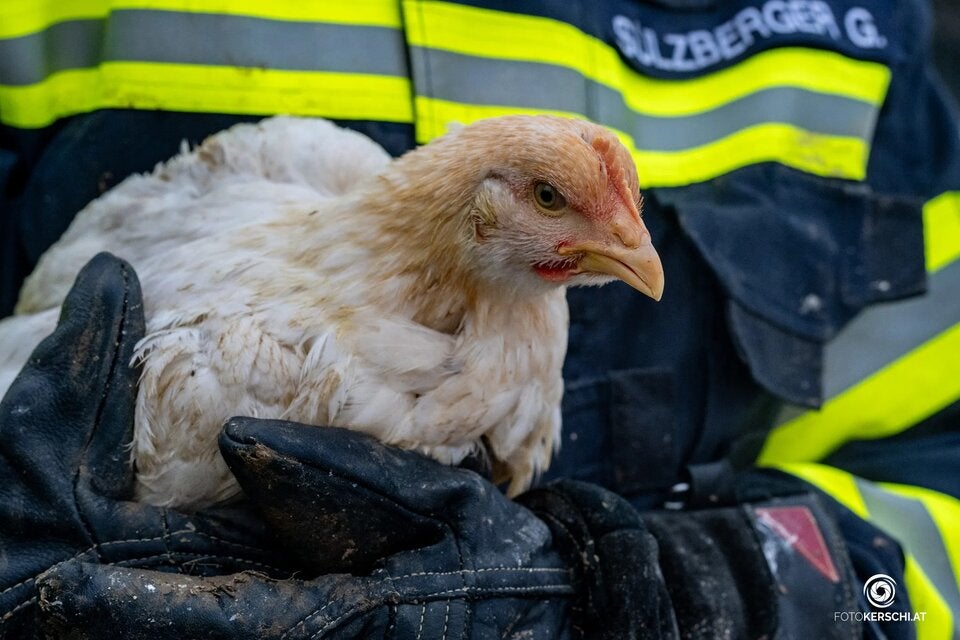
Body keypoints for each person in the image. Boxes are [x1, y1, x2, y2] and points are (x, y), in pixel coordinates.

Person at [1, 0, 958, 637]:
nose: (630, 251)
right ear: (474, 205)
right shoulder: (249, 365)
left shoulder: (862, 38)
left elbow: (937, 471)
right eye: (552, 200)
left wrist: (692, 591)